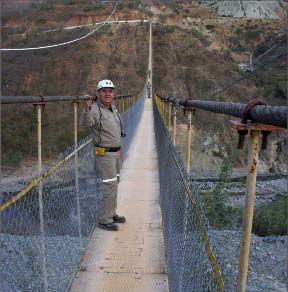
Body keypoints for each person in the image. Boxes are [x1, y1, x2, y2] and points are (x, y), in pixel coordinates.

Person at [85, 79, 126, 231]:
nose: (108, 94)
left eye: (110, 91)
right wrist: (88, 109)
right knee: (110, 185)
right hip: (105, 154)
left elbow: (115, 130)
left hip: (115, 152)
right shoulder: (95, 109)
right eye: (104, 91)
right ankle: (104, 220)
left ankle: (111, 213)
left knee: (115, 183)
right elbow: (88, 123)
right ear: (98, 93)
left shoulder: (112, 108)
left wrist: (119, 147)